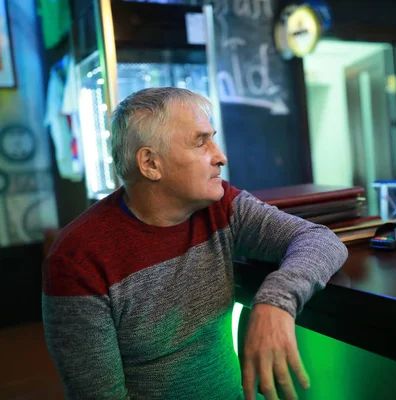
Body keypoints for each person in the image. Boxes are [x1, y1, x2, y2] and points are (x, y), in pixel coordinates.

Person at [42, 87, 349, 400]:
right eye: (201, 141)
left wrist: (276, 301)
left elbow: (320, 239)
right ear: (150, 163)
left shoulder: (219, 205)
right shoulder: (76, 257)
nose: (220, 157)